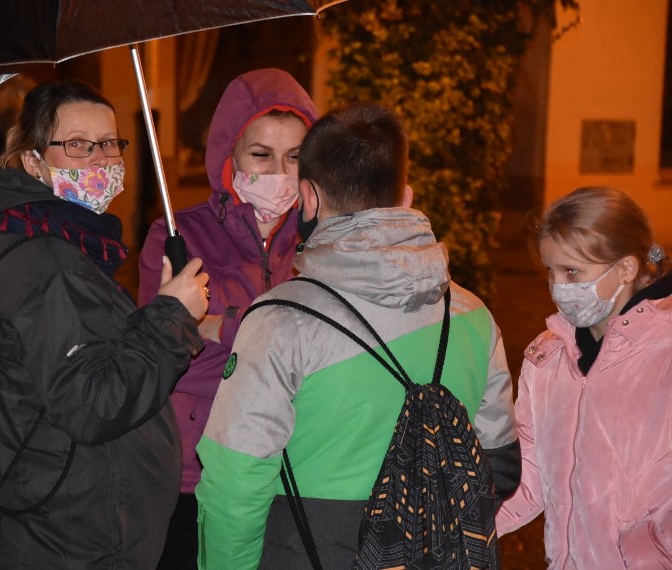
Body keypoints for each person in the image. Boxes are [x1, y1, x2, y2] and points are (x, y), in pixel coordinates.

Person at [194, 103, 521, 569]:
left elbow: (234, 484)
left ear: (308, 197)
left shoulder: (281, 322)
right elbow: (501, 468)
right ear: (404, 195)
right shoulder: (472, 313)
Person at [0, 80, 210, 569]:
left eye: (109, 143)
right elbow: (93, 403)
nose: (99, 159)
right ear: (33, 162)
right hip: (70, 541)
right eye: (76, 145)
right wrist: (171, 318)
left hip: (67, 526)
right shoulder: (48, 264)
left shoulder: (59, 244)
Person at [137, 68, 317, 569]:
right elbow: (169, 359)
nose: (280, 172)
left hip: (293, 472)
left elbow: (329, 355)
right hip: (192, 475)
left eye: (296, 157)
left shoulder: (320, 244)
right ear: (228, 156)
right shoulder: (177, 238)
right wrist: (272, 335)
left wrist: (222, 325)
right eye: (261, 154)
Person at [496, 187, 672, 569]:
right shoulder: (546, 357)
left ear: (625, 268)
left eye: (572, 271)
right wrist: (455, 530)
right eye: (551, 271)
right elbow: (528, 476)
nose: (559, 287)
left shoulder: (665, 353)